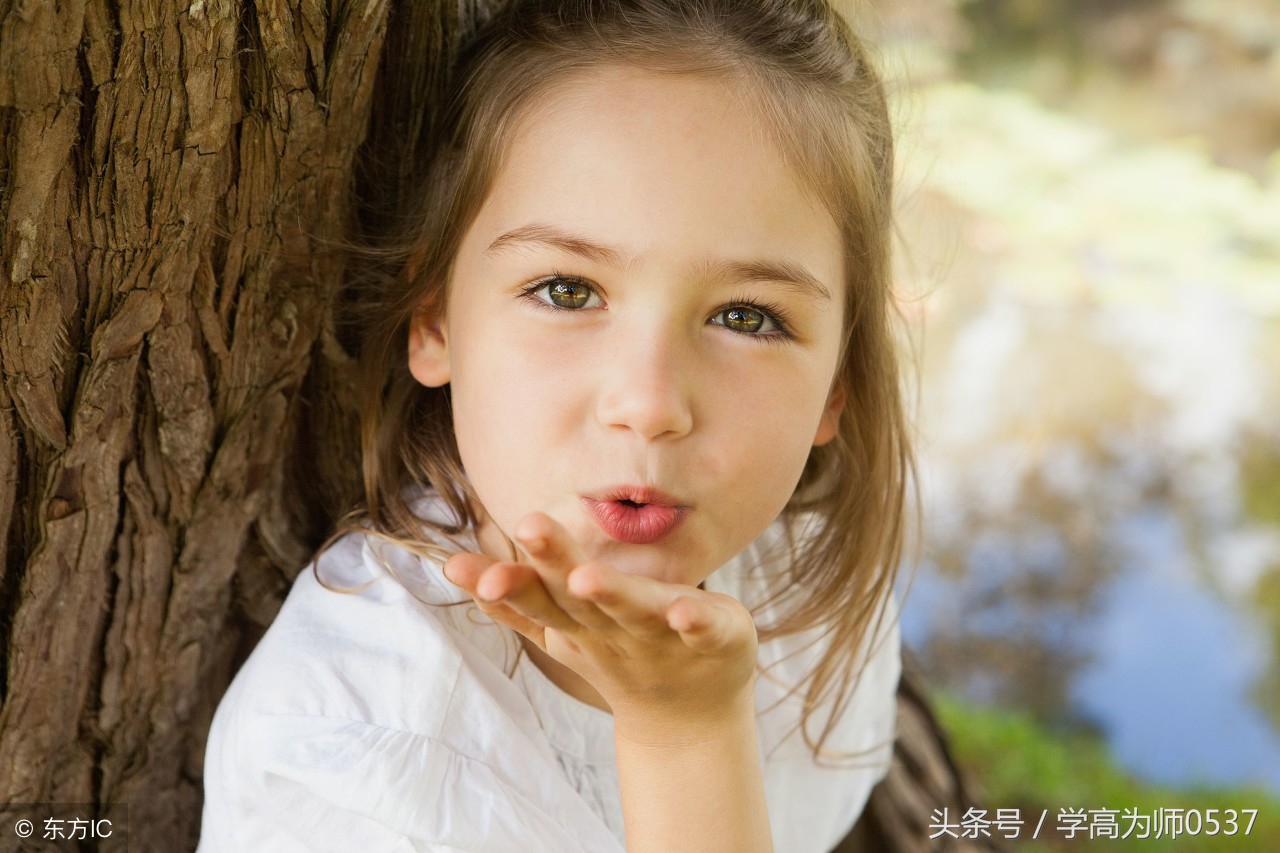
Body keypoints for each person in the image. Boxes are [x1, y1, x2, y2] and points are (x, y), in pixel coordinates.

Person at [197, 0, 913, 850]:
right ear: (434, 319)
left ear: (837, 383)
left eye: (749, 316)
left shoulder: (809, 587)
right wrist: (685, 737)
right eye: (567, 291)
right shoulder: (354, 766)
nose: (649, 403)